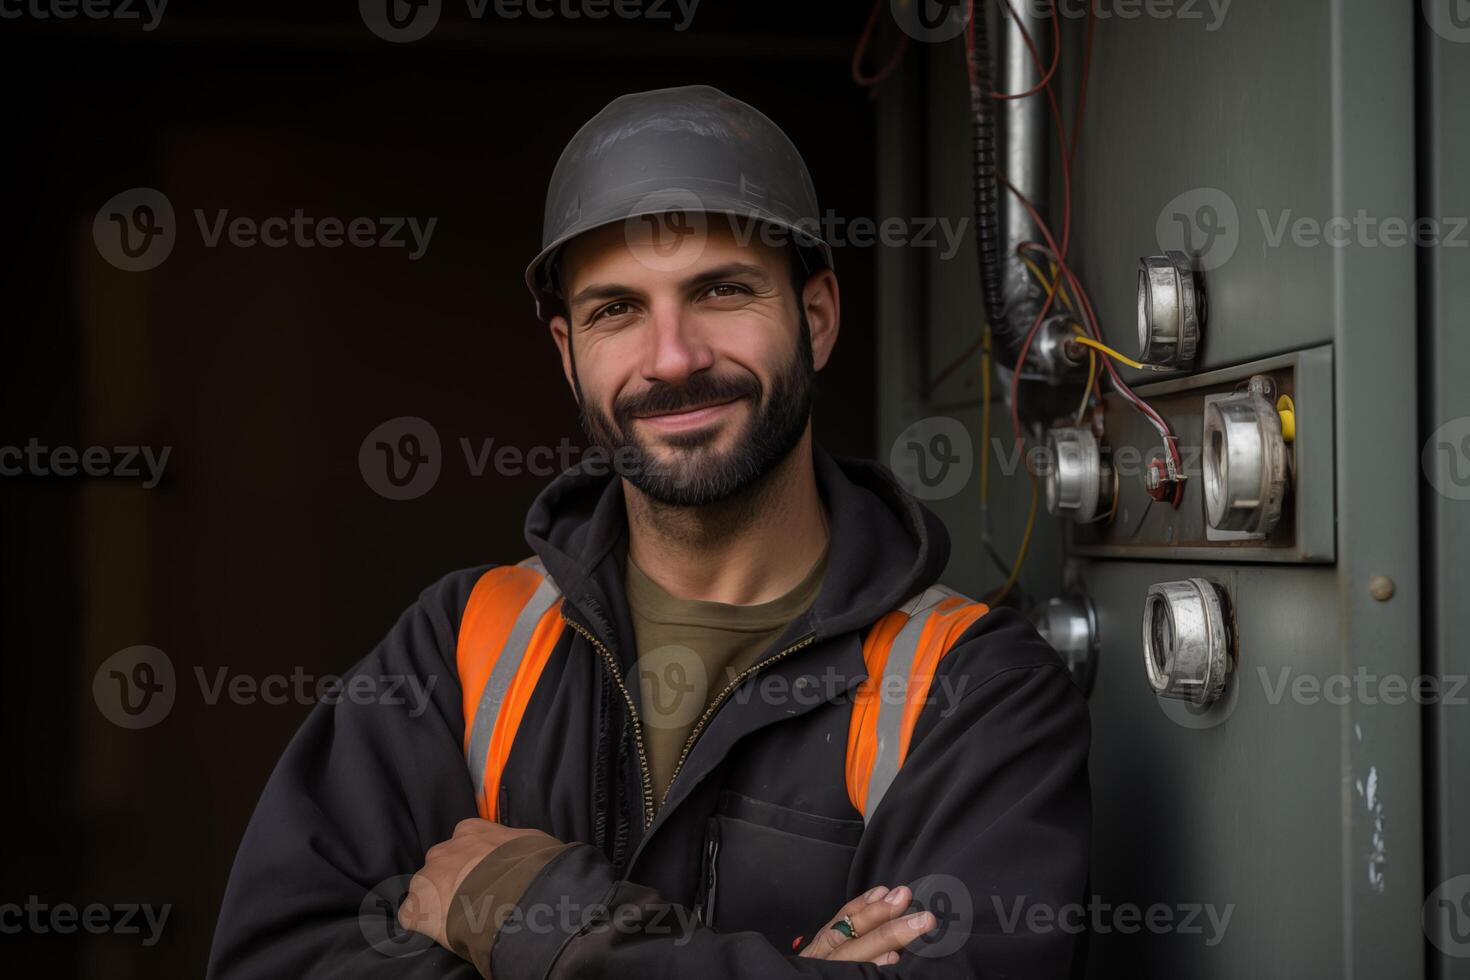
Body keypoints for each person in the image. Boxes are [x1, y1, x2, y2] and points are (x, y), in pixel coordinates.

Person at [207, 84, 1091, 980]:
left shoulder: (974, 692)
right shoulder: (463, 647)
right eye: (616, 310)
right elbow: (274, 960)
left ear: (815, 319)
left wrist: (533, 917)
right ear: (567, 353)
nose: (673, 358)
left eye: (721, 290)